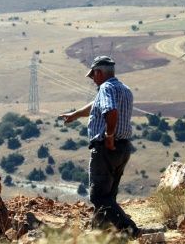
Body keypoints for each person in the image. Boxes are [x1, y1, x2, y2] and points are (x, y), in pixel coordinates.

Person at [59, 55, 139, 238]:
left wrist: (109, 136)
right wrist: (76, 114)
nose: (93, 79)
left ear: (99, 72)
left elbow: (110, 111)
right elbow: (96, 105)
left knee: (99, 197)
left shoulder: (106, 88)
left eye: (93, 75)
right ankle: (98, 234)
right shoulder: (124, 89)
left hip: (106, 148)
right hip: (123, 148)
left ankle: (131, 230)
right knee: (108, 196)